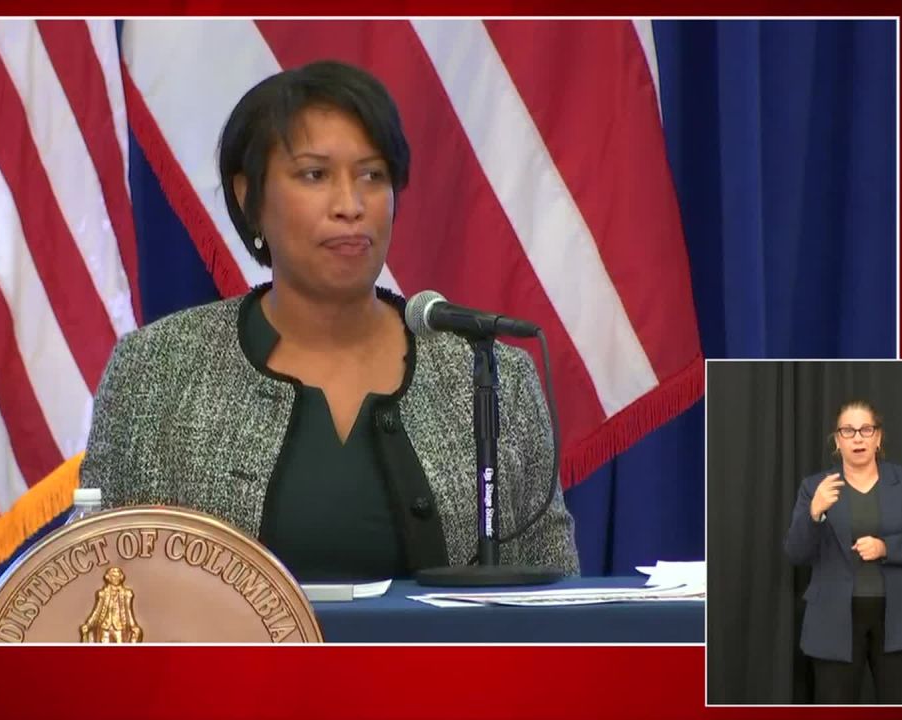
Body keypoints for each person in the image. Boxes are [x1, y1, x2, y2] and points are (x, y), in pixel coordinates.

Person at [79, 60, 579, 581]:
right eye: (315, 175)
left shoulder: (491, 376)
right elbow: (95, 583)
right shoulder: (156, 370)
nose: (351, 205)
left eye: (373, 175)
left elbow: (552, 597)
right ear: (250, 197)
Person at [784, 400, 902, 703]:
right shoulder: (815, 487)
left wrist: (886, 547)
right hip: (833, 620)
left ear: (878, 437)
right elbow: (796, 553)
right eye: (848, 430)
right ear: (837, 440)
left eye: (866, 429)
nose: (858, 437)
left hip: (897, 618)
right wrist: (814, 513)